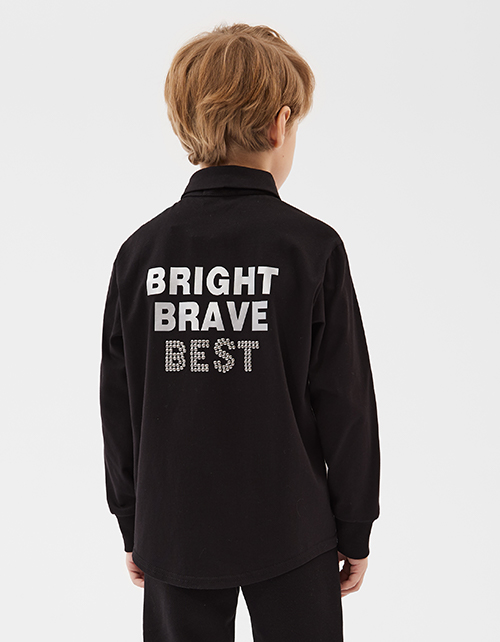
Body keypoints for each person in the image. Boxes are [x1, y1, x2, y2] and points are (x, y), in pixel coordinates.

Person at [100, 22, 381, 641]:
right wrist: (355, 526)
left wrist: (134, 520)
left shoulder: (140, 254)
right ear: (281, 125)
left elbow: (120, 404)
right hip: (293, 528)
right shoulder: (311, 248)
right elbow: (346, 403)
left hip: (174, 528)